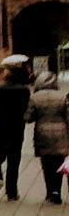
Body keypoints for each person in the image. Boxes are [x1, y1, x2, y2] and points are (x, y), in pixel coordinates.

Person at [0, 55, 32, 200]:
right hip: (17, 128)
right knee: (14, 160)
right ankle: (12, 192)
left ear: (6, 74)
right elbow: (26, 109)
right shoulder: (24, 90)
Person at [31, 69, 69, 205]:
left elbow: (29, 117)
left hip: (42, 134)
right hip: (61, 134)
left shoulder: (35, 97)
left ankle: (50, 191)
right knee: (59, 162)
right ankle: (57, 191)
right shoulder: (63, 96)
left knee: (46, 163)